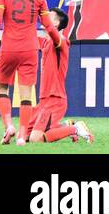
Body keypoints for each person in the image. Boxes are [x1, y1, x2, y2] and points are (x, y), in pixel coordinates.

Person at [0, 0, 63, 145]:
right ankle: (23, 136)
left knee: (1, 87)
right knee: (26, 94)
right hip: (30, 48)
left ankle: (8, 125)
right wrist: (58, 41)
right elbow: (48, 24)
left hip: (8, 48)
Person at [27, 8, 92, 145]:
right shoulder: (45, 41)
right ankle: (64, 126)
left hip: (54, 99)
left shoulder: (61, 41)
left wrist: (41, 8)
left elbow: (51, 32)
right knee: (25, 135)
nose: (45, 17)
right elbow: (27, 35)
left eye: (49, 16)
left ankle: (75, 128)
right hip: (44, 100)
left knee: (35, 139)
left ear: (56, 24)